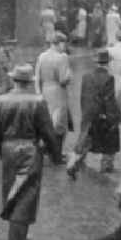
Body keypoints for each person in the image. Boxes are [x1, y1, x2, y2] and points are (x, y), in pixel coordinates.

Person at [0, 63, 58, 240]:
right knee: (25, 198)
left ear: (14, 79)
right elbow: (48, 132)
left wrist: (0, 150)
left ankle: (19, 238)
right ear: (29, 82)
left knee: (13, 193)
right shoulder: (38, 101)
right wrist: (55, 155)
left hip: (8, 149)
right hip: (30, 149)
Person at [66, 49, 121, 178]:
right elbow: (108, 99)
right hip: (101, 113)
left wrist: (85, 111)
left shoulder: (86, 76)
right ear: (107, 63)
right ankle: (106, 165)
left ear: (96, 62)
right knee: (111, 137)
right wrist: (112, 116)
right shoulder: (109, 78)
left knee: (85, 137)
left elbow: (83, 96)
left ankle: (73, 161)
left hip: (88, 112)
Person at [34, 31, 72, 164]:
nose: (65, 46)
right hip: (58, 91)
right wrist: (69, 75)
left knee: (47, 120)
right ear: (59, 43)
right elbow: (63, 79)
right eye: (64, 43)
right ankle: (56, 154)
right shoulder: (62, 57)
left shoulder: (42, 56)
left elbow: (37, 77)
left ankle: (47, 149)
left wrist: (39, 93)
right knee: (59, 124)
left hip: (45, 90)